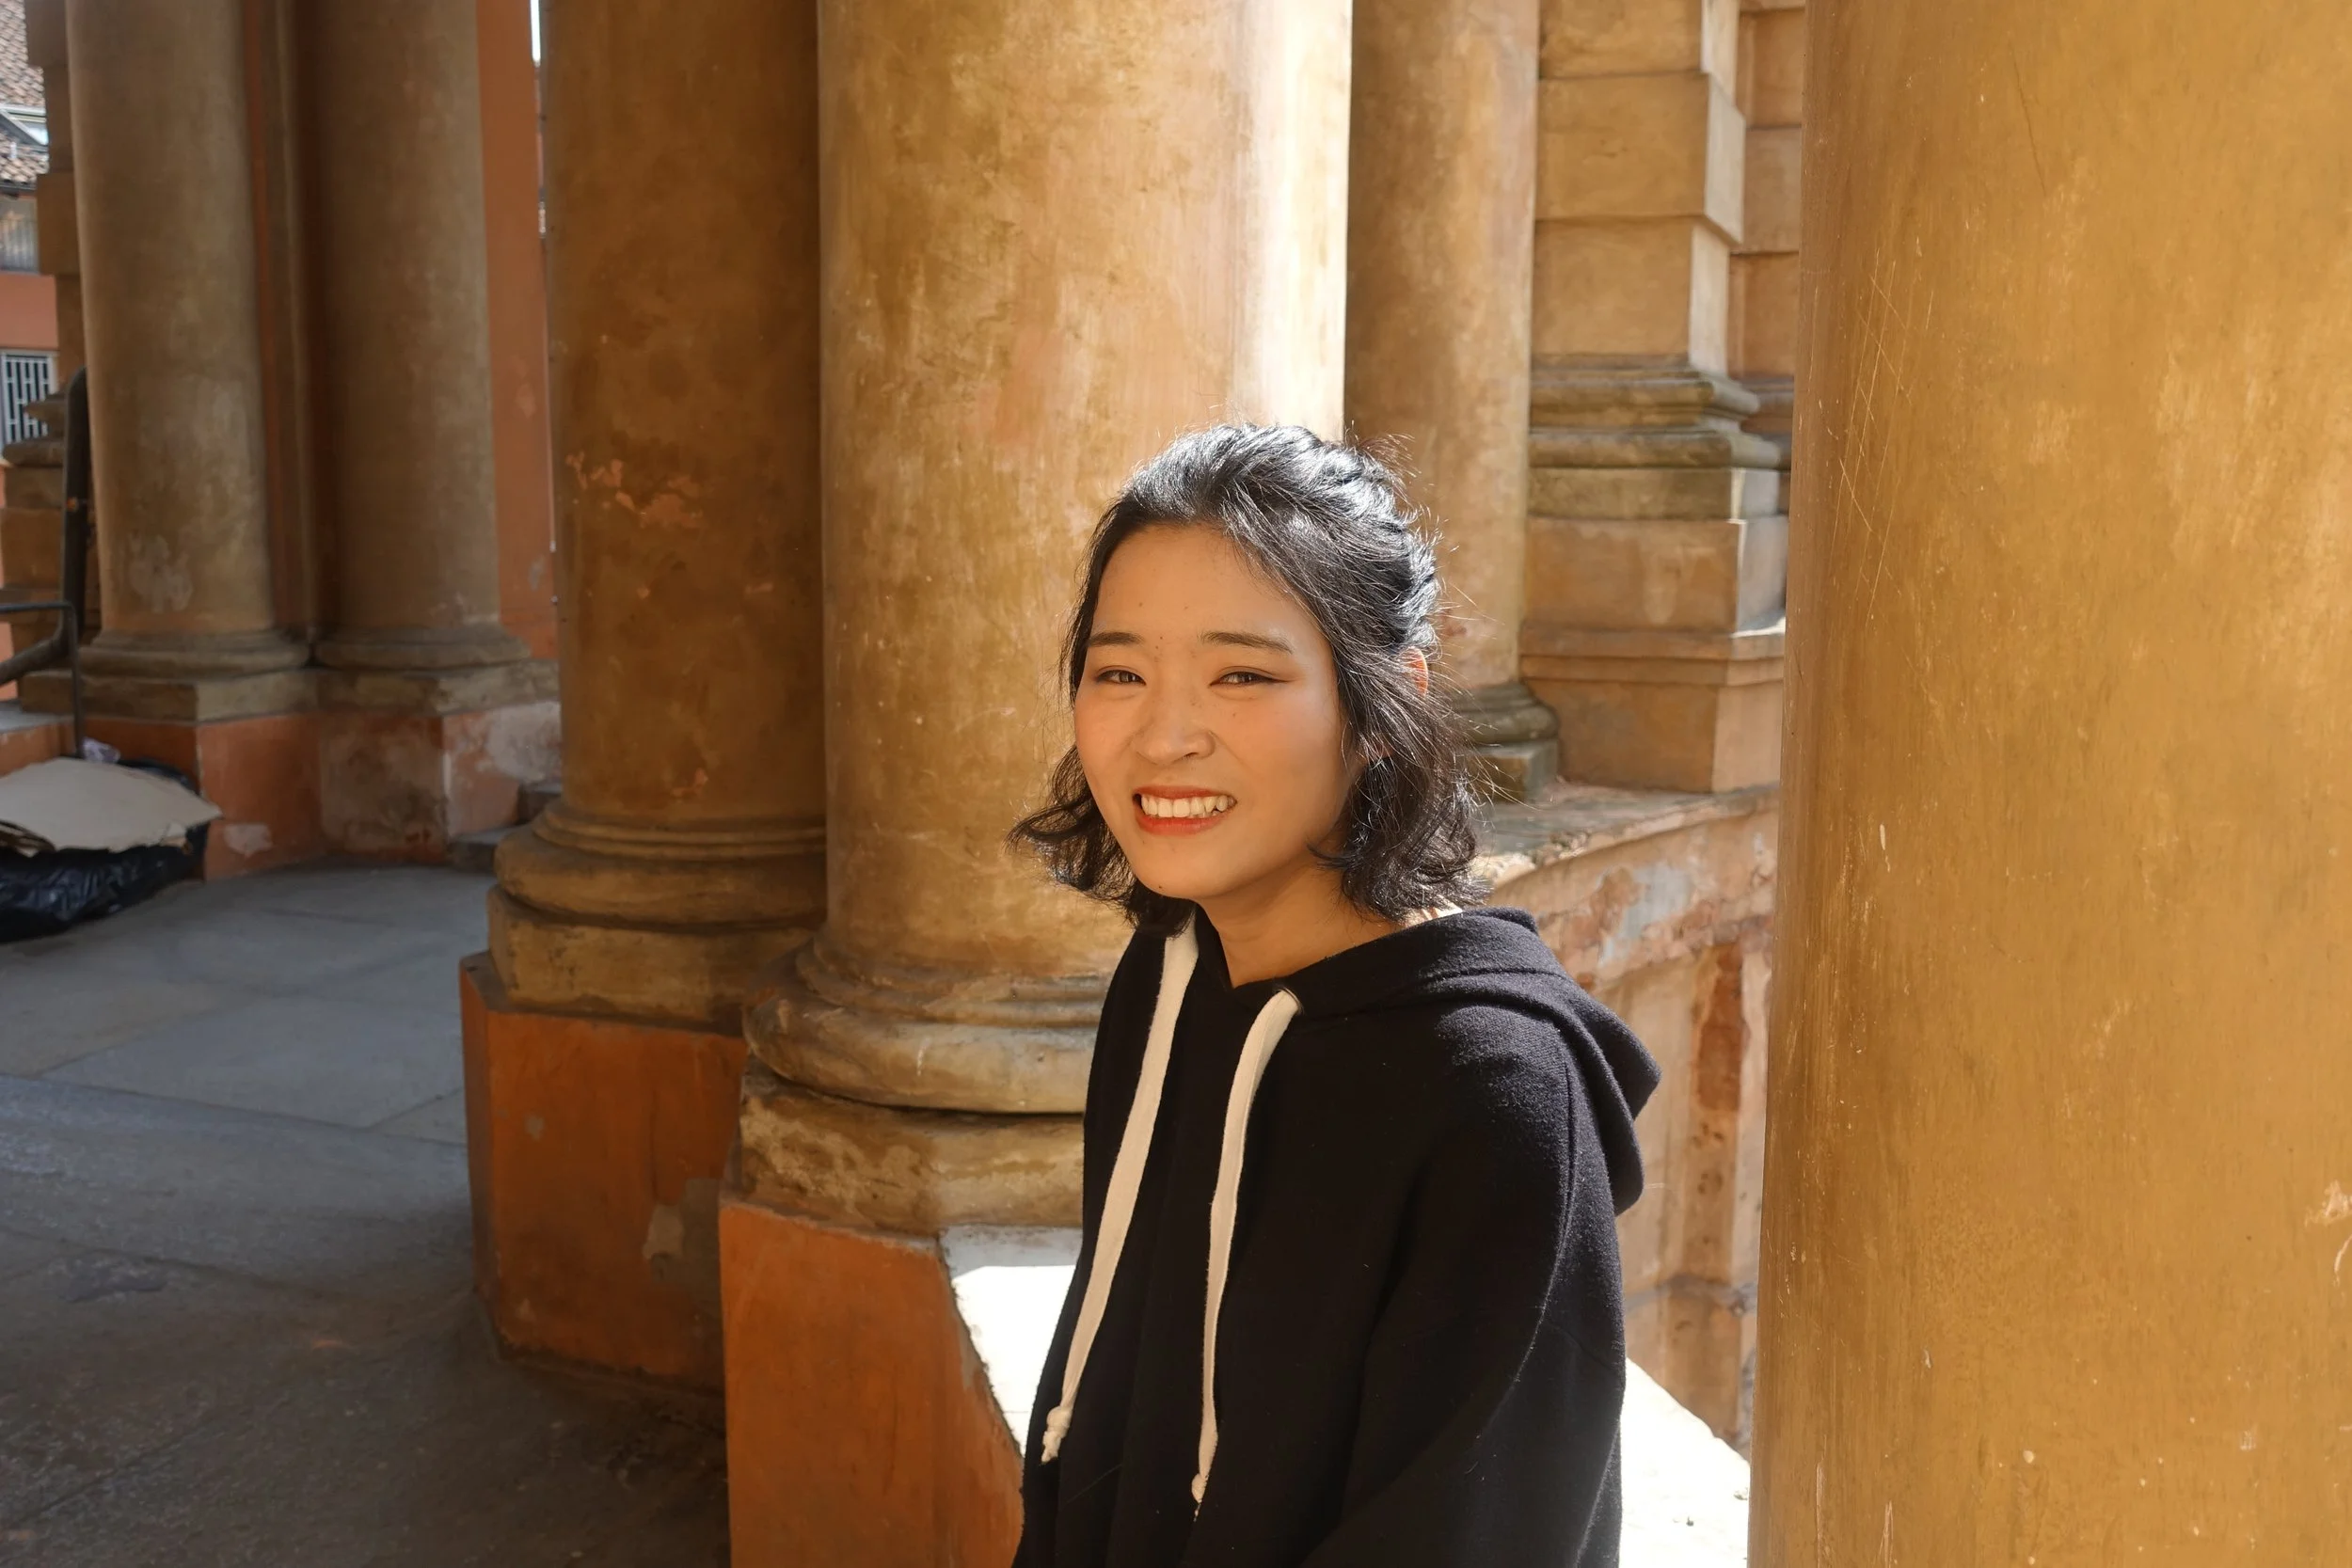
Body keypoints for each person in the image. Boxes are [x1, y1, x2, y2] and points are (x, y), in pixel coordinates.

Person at [1008, 424, 1660, 1567]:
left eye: (1242, 674)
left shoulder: (1496, 1102)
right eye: (1119, 671)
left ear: (1377, 705)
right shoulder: (1167, 974)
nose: (1163, 734)